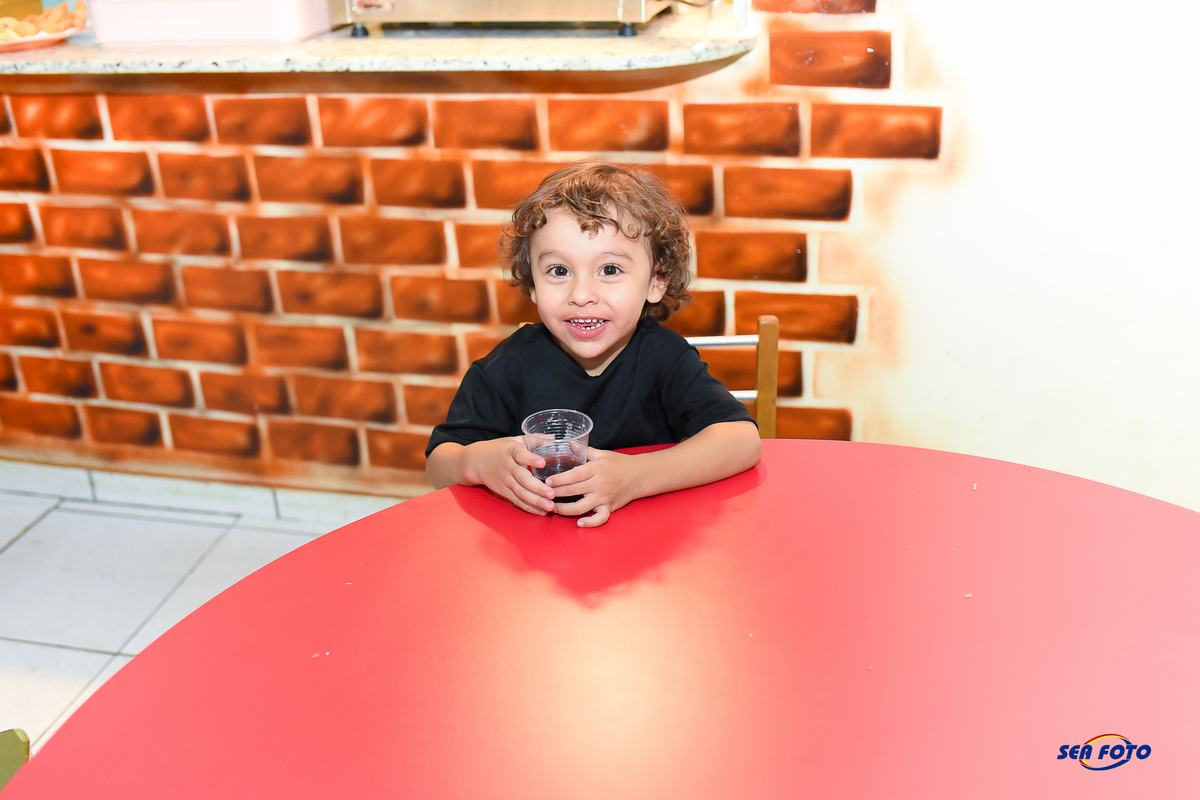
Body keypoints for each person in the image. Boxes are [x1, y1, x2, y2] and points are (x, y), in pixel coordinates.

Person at [425, 160, 762, 527]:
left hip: (647, 539)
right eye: (559, 271)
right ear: (533, 285)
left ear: (656, 280)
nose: (582, 294)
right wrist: (477, 463)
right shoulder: (505, 367)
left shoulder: (664, 358)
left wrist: (635, 476)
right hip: (537, 546)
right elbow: (438, 465)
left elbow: (742, 440)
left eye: (609, 270)